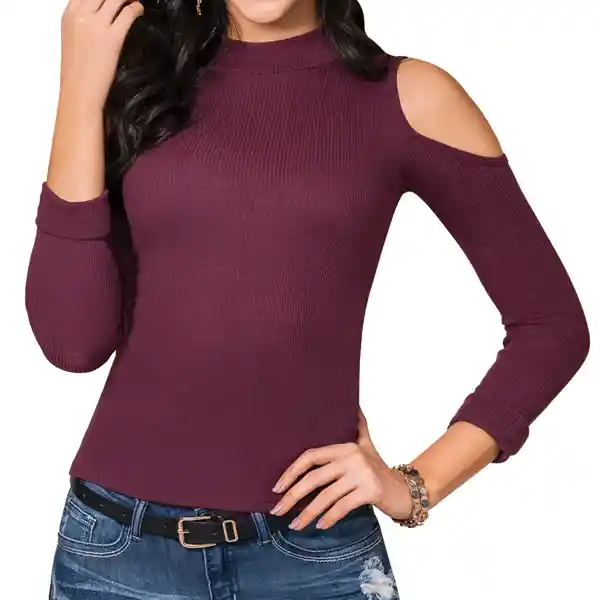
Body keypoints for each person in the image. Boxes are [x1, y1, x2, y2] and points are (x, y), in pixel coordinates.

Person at [26, 1, 590, 599]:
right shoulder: (146, 86)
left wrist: (417, 485)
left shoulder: (407, 97)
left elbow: (551, 325)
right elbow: (73, 342)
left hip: (316, 559)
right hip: (117, 554)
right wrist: (79, 92)